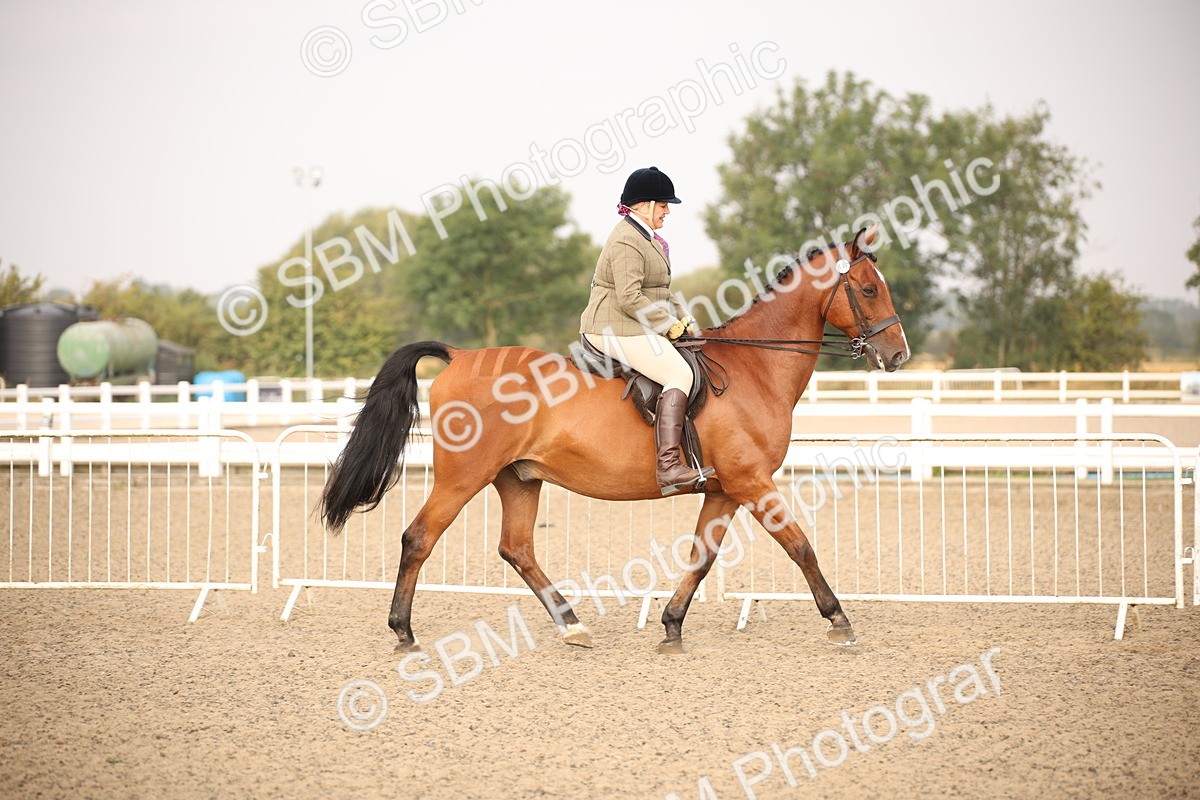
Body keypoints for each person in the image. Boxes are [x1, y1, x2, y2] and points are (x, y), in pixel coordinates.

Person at [579, 166, 714, 496]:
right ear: (644, 205)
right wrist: (669, 327)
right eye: (664, 205)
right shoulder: (627, 239)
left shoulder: (647, 239)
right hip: (612, 326)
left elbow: (662, 292)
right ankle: (668, 467)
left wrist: (687, 324)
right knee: (680, 375)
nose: (667, 211)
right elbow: (629, 297)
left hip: (633, 323)